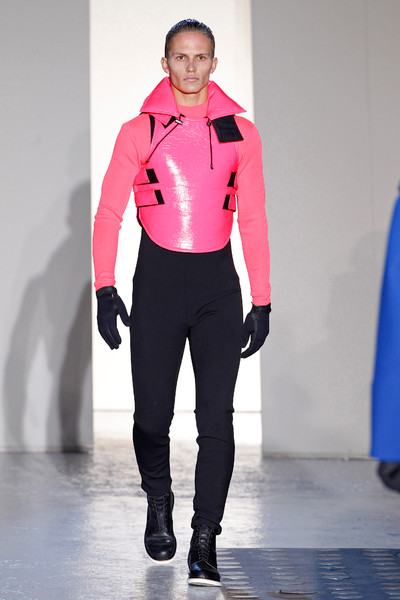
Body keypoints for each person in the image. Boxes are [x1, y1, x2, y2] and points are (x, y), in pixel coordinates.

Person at [93, 19, 271, 586]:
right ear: (165, 62)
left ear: (214, 63)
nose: (191, 67)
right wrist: (104, 287)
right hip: (158, 283)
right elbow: (109, 213)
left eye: (201, 57)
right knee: (150, 419)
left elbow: (254, 218)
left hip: (219, 286)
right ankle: (158, 497)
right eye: (180, 56)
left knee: (216, 418)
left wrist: (261, 299)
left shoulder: (242, 134)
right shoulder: (137, 131)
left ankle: (205, 538)